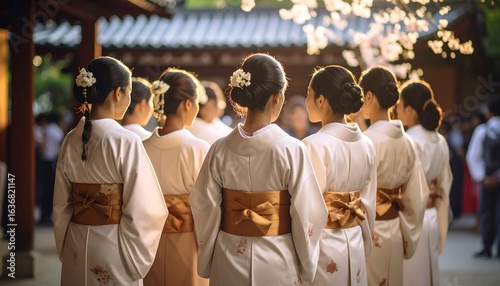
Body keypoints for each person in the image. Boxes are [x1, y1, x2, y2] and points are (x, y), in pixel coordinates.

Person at [189, 53, 328, 286]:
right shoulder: (291, 149)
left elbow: (203, 206)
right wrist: (307, 265)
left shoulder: (219, 149)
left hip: (229, 257)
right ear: (278, 98)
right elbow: (307, 214)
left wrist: (207, 259)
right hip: (278, 257)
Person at [53, 56, 168, 286]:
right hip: (113, 244)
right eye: (128, 92)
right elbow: (145, 209)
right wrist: (133, 255)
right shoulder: (126, 141)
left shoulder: (70, 140)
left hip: (76, 243)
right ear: (117, 93)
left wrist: (66, 247)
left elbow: (60, 206)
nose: (128, 99)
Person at [301, 65, 376, 286]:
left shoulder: (314, 145)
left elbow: (305, 209)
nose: (307, 101)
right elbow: (368, 202)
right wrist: (365, 237)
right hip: (354, 238)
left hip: (323, 246)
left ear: (321, 100)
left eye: (309, 94)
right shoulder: (367, 143)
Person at [358, 66, 429, 286]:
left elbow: (357, 193)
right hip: (396, 228)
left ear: (369, 96)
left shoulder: (367, 141)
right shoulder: (408, 142)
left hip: (370, 231)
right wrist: (407, 231)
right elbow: (417, 196)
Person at [142, 68, 210, 286]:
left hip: (148, 241)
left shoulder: (141, 148)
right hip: (188, 241)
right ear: (188, 104)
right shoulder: (198, 149)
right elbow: (208, 206)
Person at [396, 80, 453, 285]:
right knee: (427, 275)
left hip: (412, 219)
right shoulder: (440, 140)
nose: (397, 110)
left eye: (400, 105)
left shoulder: (410, 141)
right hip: (432, 215)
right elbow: (446, 182)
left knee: (412, 277)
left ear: (410, 110)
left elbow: (405, 185)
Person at [466, 95, 500, 258]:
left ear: (489, 113)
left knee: (486, 213)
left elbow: (473, 156)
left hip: (486, 179)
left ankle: (486, 247)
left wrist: (483, 177)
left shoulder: (482, 131)